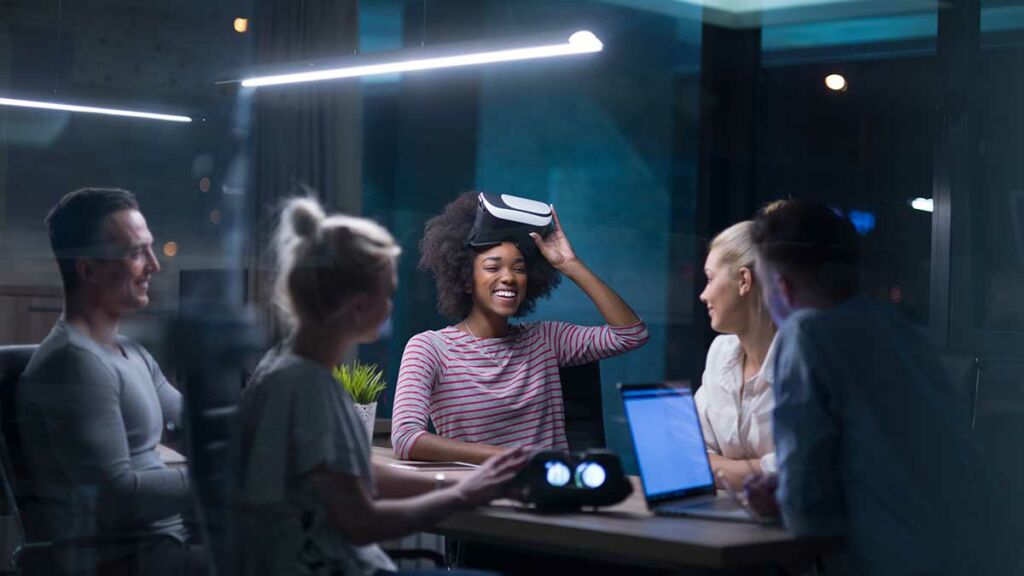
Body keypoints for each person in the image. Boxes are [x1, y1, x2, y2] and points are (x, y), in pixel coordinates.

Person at [237, 197, 528, 576]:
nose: (391, 306)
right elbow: (360, 522)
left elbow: (356, 475)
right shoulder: (304, 386)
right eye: (386, 293)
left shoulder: (289, 367)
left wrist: (464, 481)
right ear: (357, 307)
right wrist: (460, 495)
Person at [744, 199, 986, 575]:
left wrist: (783, 498)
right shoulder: (899, 330)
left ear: (783, 287)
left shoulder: (806, 333)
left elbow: (808, 516)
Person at [18, 188, 199, 575]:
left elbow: (194, 422)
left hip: (168, 543)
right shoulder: (74, 363)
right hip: (132, 561)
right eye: (136, 253)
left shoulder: (130, 351)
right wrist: (223, 475)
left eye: (150, 249)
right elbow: (118, 498)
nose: (154, 264)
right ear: (88, 269)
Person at [391, 192, 648, 463]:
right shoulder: (429, 349)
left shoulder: (545, 339)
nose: (509, 278)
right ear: (466, 280)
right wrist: (509, 458)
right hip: (478, 495)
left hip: (553, 493)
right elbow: (406, 439)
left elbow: (631, 334)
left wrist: (569, 264)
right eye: (493, 267)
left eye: (519, 269)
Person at [696, 220, 777, 491]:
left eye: (709, 278)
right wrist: (757, 470)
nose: (703, 295)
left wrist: (715, 466)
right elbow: (689, 453)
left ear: (744, 280)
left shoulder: (801, 362)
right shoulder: (721, 353)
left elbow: (792, 474)